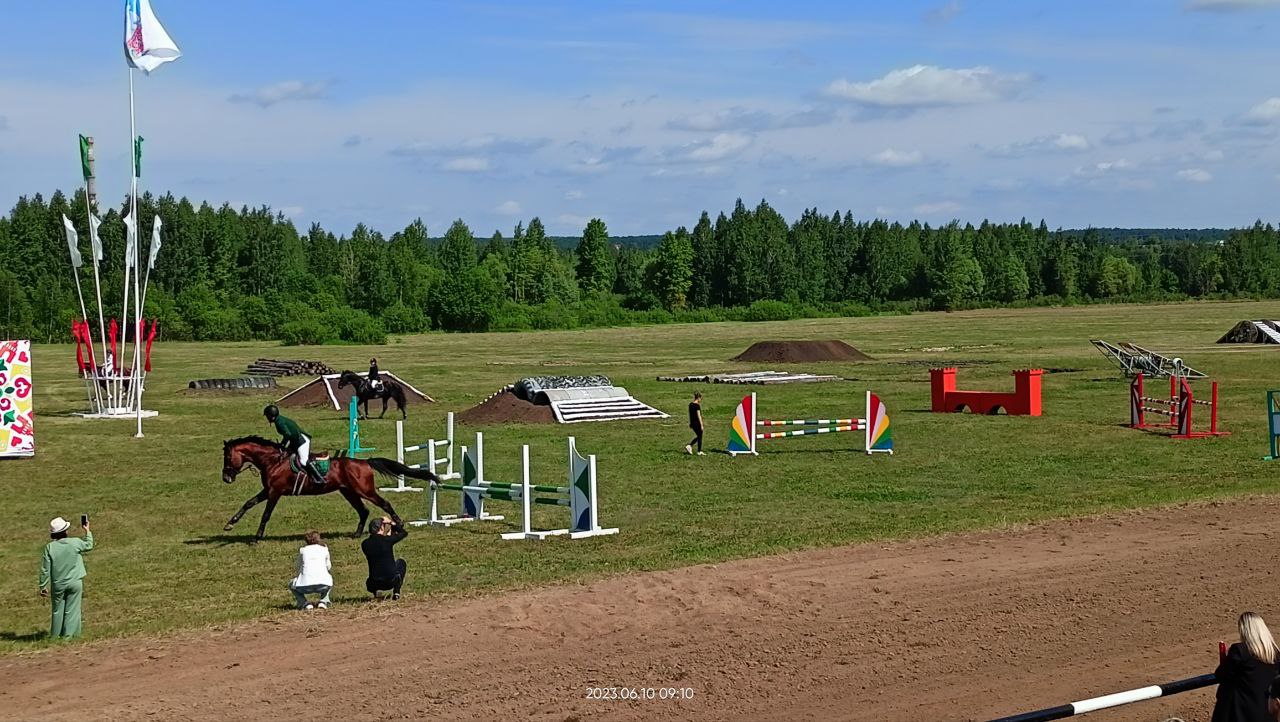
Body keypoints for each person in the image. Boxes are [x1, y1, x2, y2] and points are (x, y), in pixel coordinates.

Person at [1213, 611, 1280, 722]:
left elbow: (1221, 675)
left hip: (1241, 714)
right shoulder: (1276, 655)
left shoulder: (1240, 650)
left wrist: (1225, 661)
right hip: (1267, 714)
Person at [38, 516, 94, 639]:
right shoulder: (75, 542)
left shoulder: (50, 547)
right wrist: (87, 530)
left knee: (57, 610)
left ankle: (55, 636)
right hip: (75, 581)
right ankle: (69, 636)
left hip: (58, 584)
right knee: (72, 610)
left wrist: (43, 585)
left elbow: (45, 569)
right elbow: (89, 545)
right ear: (65, 531)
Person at [263, 404, 325, 485]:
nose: (267, 418)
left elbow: (287, 434)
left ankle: (320, 478)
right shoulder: (279, 419)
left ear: (271, 415)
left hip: (301, 440)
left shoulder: (279, 422)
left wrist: (283, 444)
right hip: (295, 440)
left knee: (303, 461)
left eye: (267, 415)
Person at [361, 516, 407, 601]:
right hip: (390, 581)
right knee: (401, 562)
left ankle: (376, 592)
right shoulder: (387, 541)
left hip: (373, 583)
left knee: (370, 579)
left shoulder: (365, 544)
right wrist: (392, 523)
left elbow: (379, 545)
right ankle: (396, 592)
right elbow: (403, 533)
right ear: (382, 527)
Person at [289, 530, 333, 610]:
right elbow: (328, 567)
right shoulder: (324, 549)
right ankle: (323, 601)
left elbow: (297, 566)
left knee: (291, 584)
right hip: (323, 585)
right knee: (329, 579)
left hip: (304, 586)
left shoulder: (302, 550)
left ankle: (304, 603)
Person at [685, 392, 705, 456]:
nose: (700, 400)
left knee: (699, 436)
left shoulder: (690, 404)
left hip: (692, 423)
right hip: (697, 423)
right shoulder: (697, 406)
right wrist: (701, 425)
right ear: (698, 398)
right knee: (700, 436)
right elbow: (699, 416)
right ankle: (691, 446)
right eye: (700, 399)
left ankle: (698, 450)